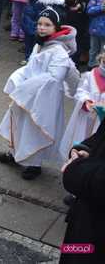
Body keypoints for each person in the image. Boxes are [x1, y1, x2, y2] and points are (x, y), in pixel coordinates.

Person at [0, 2, 80, 180]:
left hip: (45, 99)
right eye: (40, 24)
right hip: (28, 96)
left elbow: (55, 77)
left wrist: (26, 88)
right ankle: (15, 154)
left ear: (56, 27)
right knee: (20, 123)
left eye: (47, 25)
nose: (42, 28)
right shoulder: (40, 45)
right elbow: (30, 67)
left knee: (37, 128)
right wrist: (17, 81)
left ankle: (34, 164)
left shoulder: (59, 51)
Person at [59, 105, 105, 264]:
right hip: (85, 217)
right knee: (73, 249)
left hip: (97, 232)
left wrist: (75, 170)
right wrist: (85, 148)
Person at [59, 52, 105, 161]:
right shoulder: (89, 76)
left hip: (102, 123)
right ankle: (74, 166)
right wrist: (86, 101)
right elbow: (80, 91)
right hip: (86, 118)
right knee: (81, 143)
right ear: (100, 60)